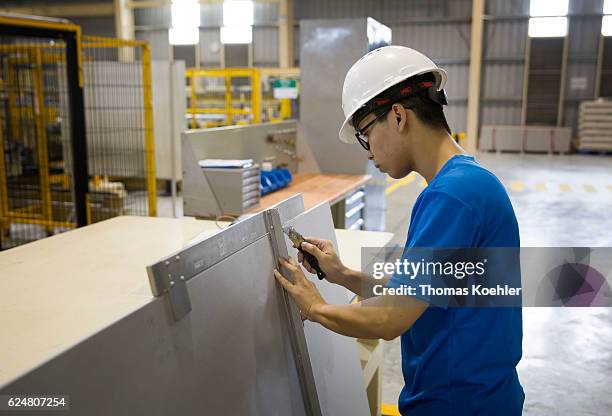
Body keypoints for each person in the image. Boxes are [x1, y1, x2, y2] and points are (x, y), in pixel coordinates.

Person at [273, 46, 524, 415]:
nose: (368, 152)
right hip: (481, 399)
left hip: (456, 406)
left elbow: (390, 317)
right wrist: (342, 275)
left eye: (365, 133)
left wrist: (315, 307)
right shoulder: (469, 183)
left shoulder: (452, 196)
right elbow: (416, 292)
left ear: (398, 116)